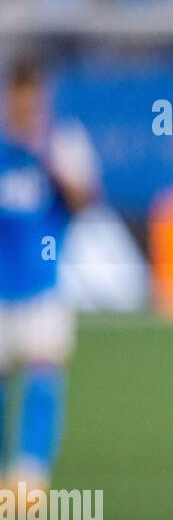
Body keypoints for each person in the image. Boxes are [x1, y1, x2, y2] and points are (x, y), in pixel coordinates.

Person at [0, 59, 98, 497]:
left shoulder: (62, 142)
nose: (24, 107)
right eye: (17, 98)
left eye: (31, 98)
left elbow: (84, 203)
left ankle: (31, 476)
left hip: (44, 287)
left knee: (44, 374)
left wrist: (47, 159)